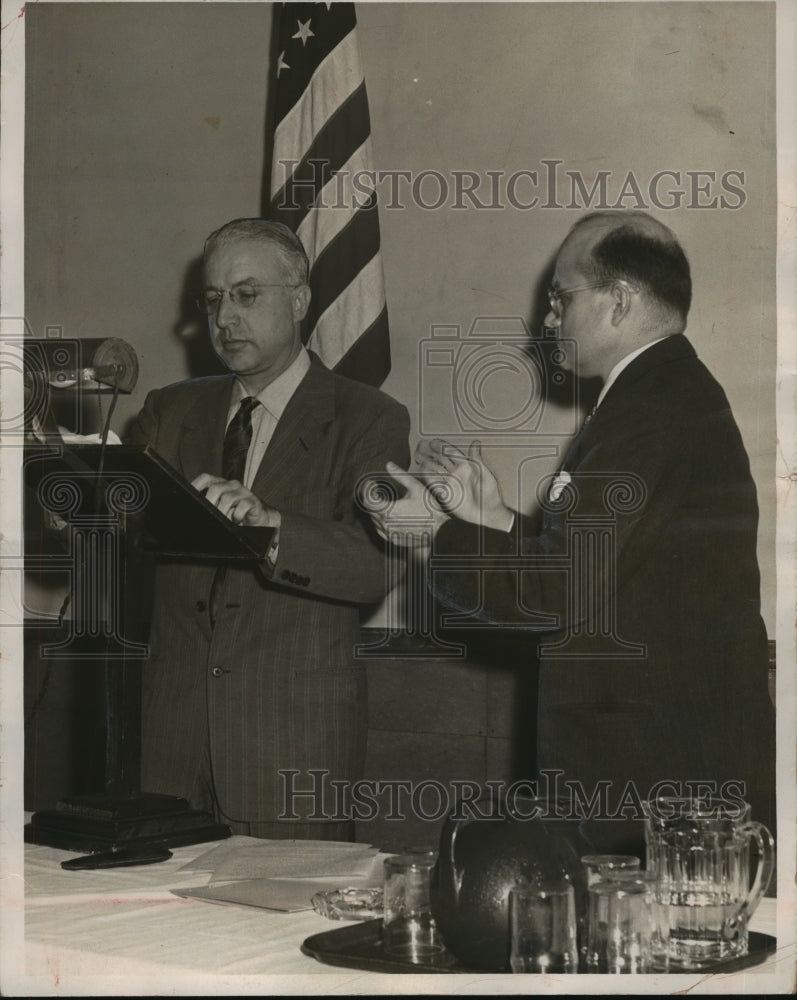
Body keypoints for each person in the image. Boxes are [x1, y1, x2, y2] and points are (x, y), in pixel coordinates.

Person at [366, 211, 775, 852]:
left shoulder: (648, 411)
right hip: (661, 774)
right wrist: (493, 518)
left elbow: (557, 591)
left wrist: (430, 536)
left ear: (619, 302)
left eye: (561, 297)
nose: (547, 319)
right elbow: (604, 572)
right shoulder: (663, 395)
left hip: (651, 782)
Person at [127, 218, 410, 839]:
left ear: (301, 300)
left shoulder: (367, 418)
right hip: (172, 745)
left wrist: (272, 524)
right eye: (213, 298)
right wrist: (76, 504)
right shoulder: (167, 412)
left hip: (292, 746)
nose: (225, 317)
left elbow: (376, 563)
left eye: (246, 295)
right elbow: (126, 535)